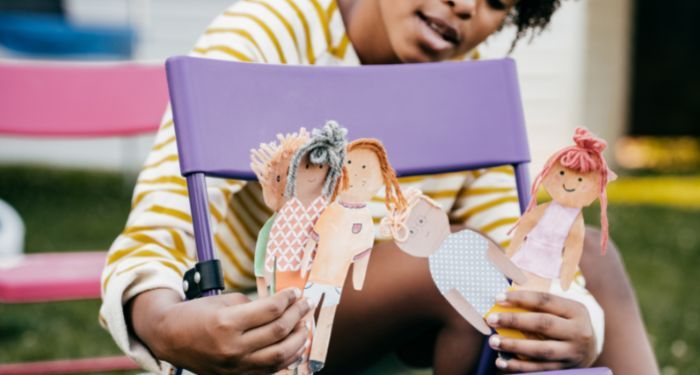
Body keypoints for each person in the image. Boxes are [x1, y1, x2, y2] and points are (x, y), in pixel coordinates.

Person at [99, 0, 658, 374]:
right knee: (450, 258)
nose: (467, 5)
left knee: (589, 264)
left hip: (401, 324)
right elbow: (159, 227)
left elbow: (506, 240)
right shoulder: (270, 30)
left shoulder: (469, 86)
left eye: (497, 0)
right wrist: (166, 324)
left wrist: (584, 322)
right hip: (269, 321)